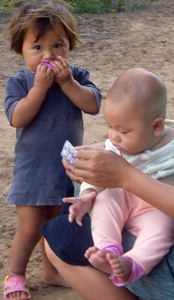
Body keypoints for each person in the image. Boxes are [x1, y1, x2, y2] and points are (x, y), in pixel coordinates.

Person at [40, 69, 174, 300]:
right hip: (124, 201)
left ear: (157, 127)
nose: (113, 136)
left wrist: (124, 175)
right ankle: (107, 250)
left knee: (161, 230)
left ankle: (134, 264)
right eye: (110, 127)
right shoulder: (120, 141)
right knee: (104, 200)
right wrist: (88, 195)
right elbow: (103, 168)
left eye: (123, 130)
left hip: (156, 209)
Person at [3, 1, 101, 299]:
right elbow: (17, 117)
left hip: (67, 169)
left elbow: (93, 105)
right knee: (31, 229)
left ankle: (51, 271)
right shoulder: (20, 81)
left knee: (55, 225)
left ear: (69, 45)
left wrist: (68, 82)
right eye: (37, 48)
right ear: (20, 50)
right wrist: (39, 89)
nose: (49, 55)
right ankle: (16, 275)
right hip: (32, 170)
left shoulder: (77, 75)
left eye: (58, 45)